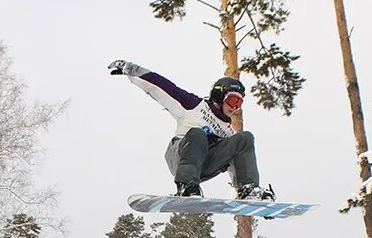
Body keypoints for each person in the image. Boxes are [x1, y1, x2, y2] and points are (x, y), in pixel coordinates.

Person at [107, 59, 274, 200]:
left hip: (204, 167)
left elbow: (239, 164)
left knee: (245, 138)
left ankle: (249, 190)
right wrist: (132, 70)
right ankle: (186, 186)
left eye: (239, 103)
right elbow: (162, 87)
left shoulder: (228, 132)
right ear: (218, 96)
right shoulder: (193, 105)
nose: (235, 108)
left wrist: (252, 198)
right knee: (198, 134)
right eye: (232, 101)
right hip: (180, 157)